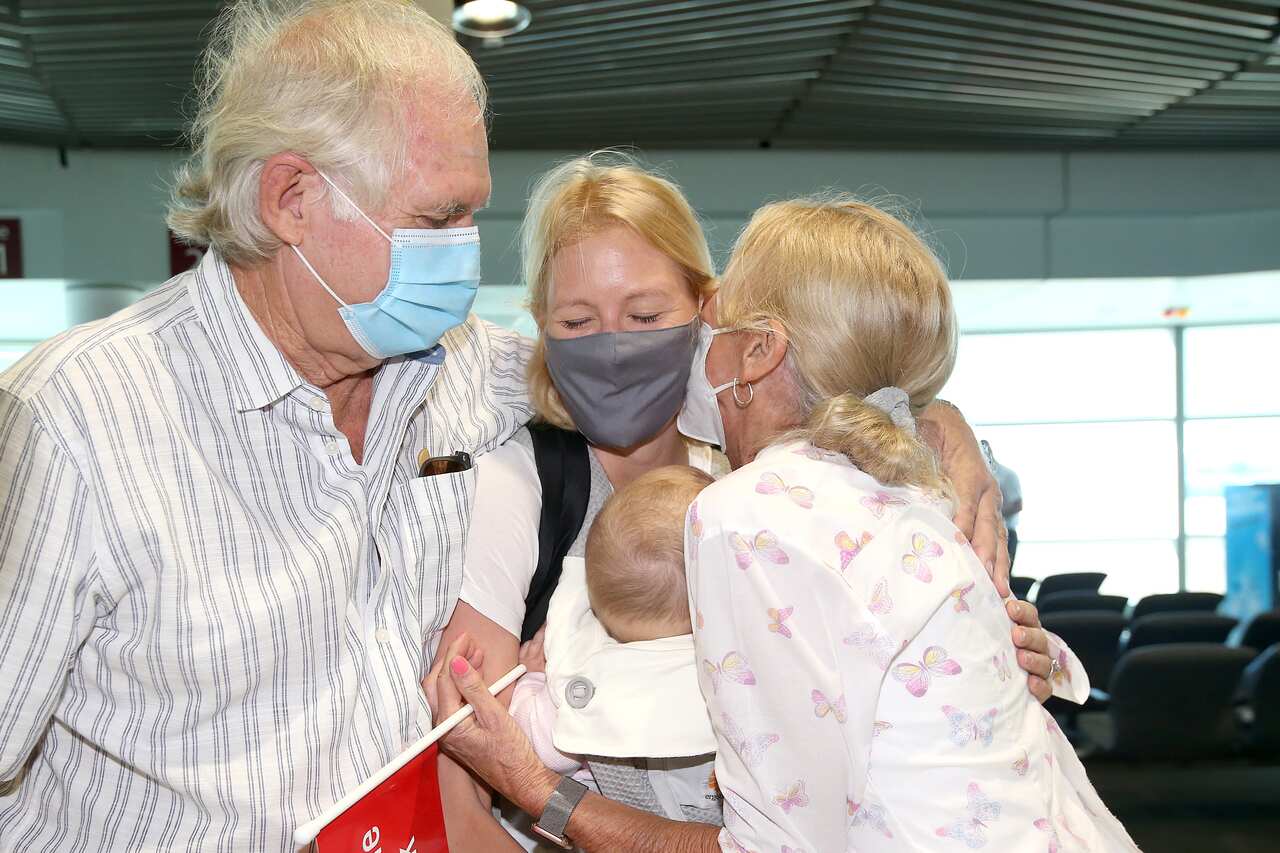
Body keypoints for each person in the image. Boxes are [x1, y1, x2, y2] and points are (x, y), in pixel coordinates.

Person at [429, 161, 1084, 850]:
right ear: (541, 324)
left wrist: (979, 675)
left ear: (708, 315)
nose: (614, 346)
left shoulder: (744, 489)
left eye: (646, 315)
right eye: (575, 319)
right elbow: (465, 784)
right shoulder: (527, 483)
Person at [0, 3, 531, 850]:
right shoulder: (78, 422)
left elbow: (617, 369)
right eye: (437, 220)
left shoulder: (455, 362)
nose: (466, 251)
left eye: (473, 215)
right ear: (291, 199)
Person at [507, 466, 720, 826]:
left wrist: (533, 678)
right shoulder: (742, 657)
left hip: (623, 823)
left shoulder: (587, 669)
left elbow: (540, 747)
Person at [983, 440, 1023, 565]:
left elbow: (1017, 505)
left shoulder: (1007, 475)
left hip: (1006, 533)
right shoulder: (974, 476)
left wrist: (991, 512)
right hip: (985, 531)